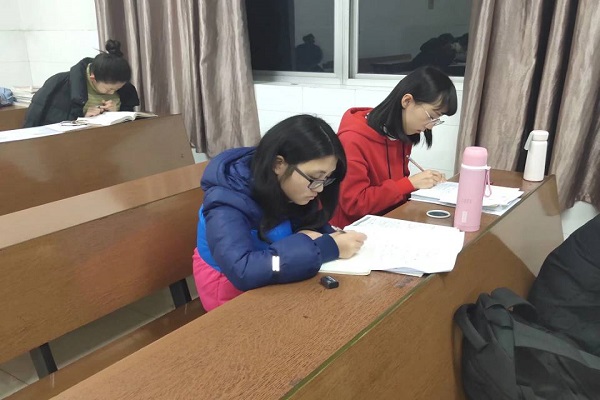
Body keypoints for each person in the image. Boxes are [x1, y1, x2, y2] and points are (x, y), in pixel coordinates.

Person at [193, 115, 367, 311]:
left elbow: (303, 223)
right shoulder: (225, 202)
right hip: (230, 293)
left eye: (326, 179)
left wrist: (326, 235)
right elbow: (244, 270)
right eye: (314, 178)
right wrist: (325, 248)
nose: (319, 189)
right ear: (278, 164)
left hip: (270, 276)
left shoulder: (282, 185)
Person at [330, 66, 457, 228]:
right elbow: (355, 204)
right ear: (407, 101)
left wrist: (424, 183)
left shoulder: (401, 134)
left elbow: (396, 190)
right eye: (431, 116)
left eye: (436, 120)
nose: (430, 126)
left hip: (388, 221)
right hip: (354, 230)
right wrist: (409, 184)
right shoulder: (352, 140)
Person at [23, 39, 139, 127]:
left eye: (117, 89)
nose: (112, 93)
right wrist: (83, 118)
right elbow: (40, 123)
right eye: (109, 89)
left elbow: (128, 126)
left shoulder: (125, 90)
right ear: (93, 77)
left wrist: (116, 114)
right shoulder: (59, 83)